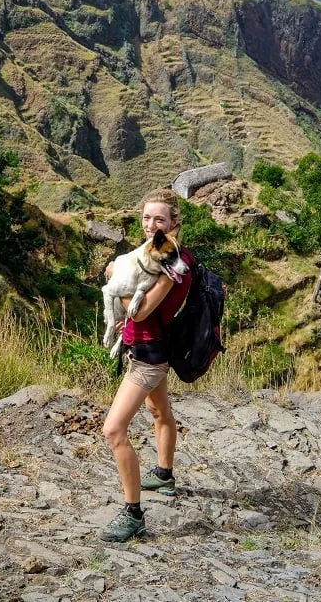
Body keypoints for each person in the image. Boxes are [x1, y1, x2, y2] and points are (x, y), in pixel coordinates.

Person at [98, 188, 193, 543]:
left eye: (159, 219)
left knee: (113, 430)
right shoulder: (157, 257)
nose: (151, 224)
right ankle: (164, 475)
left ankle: (133, 514)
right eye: (146, 218)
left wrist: (113, 276)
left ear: (173, 224)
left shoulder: (172, 264)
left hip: (151, 358)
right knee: (159, 411)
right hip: (148, 345)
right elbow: (139, 314)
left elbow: (141, 309)